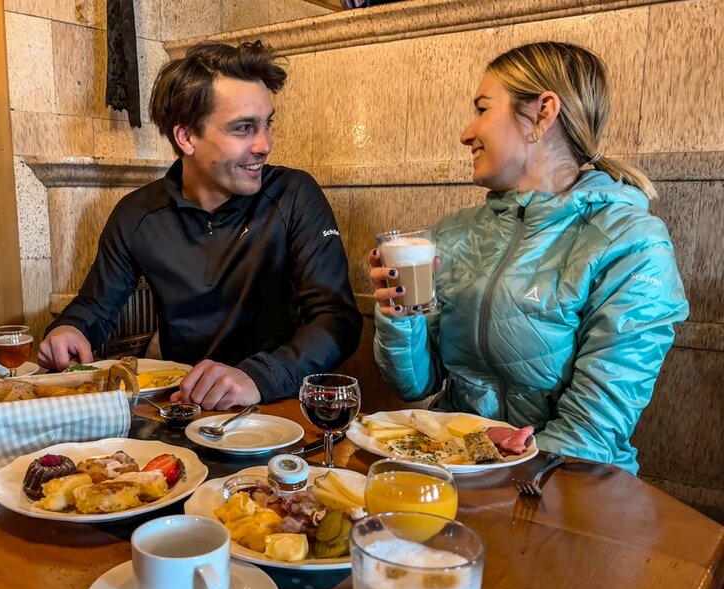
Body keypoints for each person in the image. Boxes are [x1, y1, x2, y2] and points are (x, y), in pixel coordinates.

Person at [369, 42, 688, 475]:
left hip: (566, 482)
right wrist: (399, 315)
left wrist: (492, 472)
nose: (466, 133)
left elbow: (592, 430)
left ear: (543, 113)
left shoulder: (632, 243)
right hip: (457, 468)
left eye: (482, 109)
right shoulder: (453, 233)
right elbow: (414, 386)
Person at [39, 40, 362, 410]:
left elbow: (338, 321)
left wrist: (259, 376)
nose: (265, 145)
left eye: (266, 124)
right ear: (186, 136)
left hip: (276, 405)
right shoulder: (137, 214)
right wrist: (68, 330)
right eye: (244, 128)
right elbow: (93, 310)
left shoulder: (293, 194)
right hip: (180, 407)